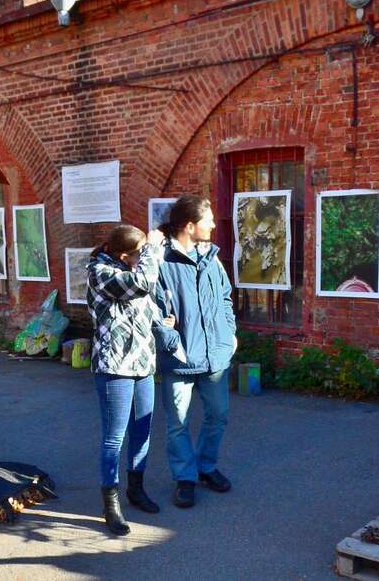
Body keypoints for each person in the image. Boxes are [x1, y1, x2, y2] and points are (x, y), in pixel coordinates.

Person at [87, 223, 173, 535]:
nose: (144, 258)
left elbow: (147, 303)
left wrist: (163, 322)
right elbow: (143, 282)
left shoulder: (131, 271)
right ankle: (111, 504)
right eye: (139, 255)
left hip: (142, 365)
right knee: (115, 437)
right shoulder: (101, 273)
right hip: (114, 366)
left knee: (142, 430)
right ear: (125, 257)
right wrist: (150, 249)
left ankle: (136, 489)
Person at [153, 195, 237, 508]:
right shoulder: (161, 261)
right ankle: (185, 477)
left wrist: (229, 335)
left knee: (219, 415)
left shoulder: (211, 258)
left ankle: (206, 467)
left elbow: (226, 298)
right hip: (180, 358)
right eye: (208, 220)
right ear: (190, 226)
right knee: (178, 423)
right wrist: (171, 342)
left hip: (215, 354)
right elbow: (154, 310)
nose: (214, 224)